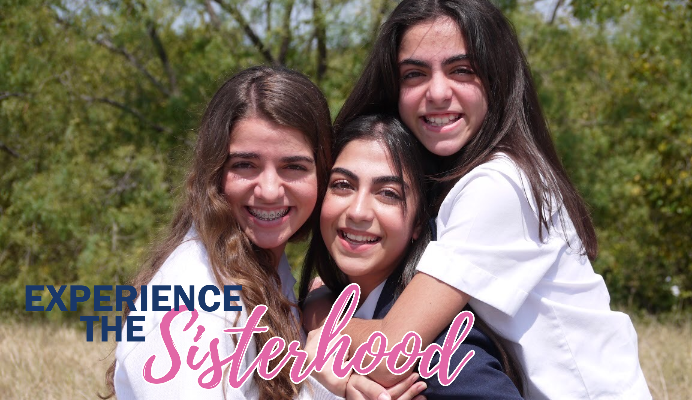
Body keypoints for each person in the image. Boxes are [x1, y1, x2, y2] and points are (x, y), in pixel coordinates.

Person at [320, 0, 652, 398]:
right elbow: (339, 284)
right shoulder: (449, 177)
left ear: (497, 79)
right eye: (414, 73)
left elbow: (394, 352)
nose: (438, 92)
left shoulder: (500, 185)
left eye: (462, 70)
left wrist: (314, 339)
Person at [103, 66, 422, 400]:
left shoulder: (265, 271)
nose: (269, 190)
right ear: (215, 173)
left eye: (294, 167)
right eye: (245, 165)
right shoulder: (193, 298)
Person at [300, 114, 525, 400]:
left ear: (419, 222)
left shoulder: (440, 351)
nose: (358, 211)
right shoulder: (326, 303)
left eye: (388, 194)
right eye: (343, 185)